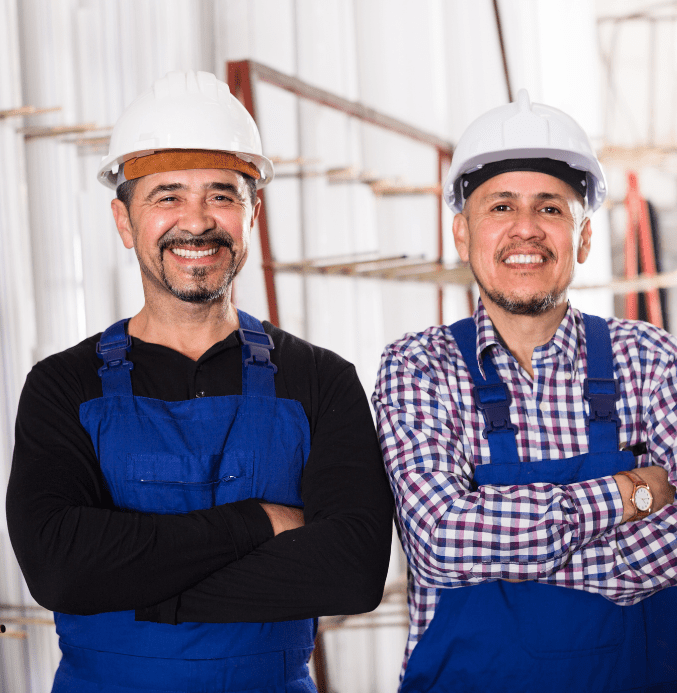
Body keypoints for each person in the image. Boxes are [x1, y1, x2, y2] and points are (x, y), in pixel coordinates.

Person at [6, 70, 393, 693]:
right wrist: (258, 522)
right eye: (167, 196)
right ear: (124, 220)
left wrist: (141, 584)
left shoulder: (321, 379)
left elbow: (351, 572)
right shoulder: (61, 386)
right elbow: (60, 570)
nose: (197, 221)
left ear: (251, 214)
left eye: (221, 194)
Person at [373, 89, 677, 693]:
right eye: (501, 207)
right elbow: (441, 542)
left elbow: (470, 543)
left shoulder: (649, 358)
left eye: (552, 209)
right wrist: (626, 497)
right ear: (463, 235)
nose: (526, 230)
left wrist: (509, 561)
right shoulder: (418, 368)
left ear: (584, 238)